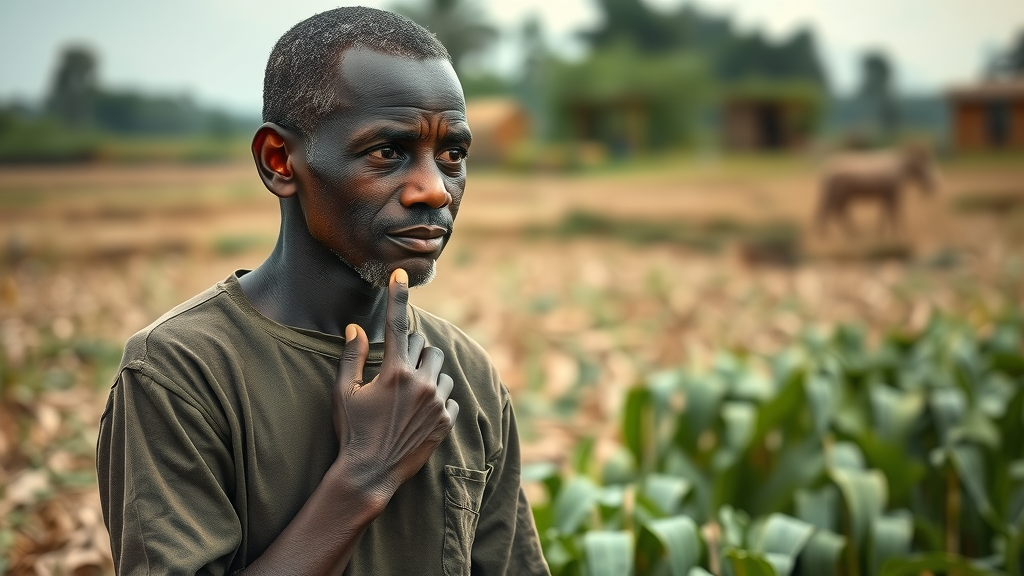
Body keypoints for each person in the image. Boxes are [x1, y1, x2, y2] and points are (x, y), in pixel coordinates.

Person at [96, 7, 550, 575]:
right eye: (388, 151)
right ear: (279, 161)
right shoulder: (183, 373)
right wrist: (367, 474)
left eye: (452, 155)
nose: (435, 189)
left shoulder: (464, 373)